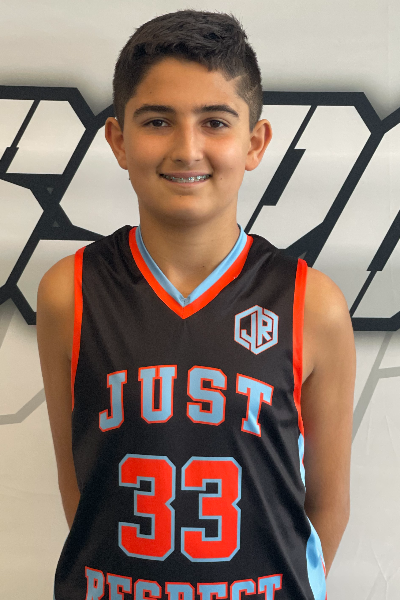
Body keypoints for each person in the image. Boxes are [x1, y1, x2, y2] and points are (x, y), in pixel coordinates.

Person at [36, 9, 356, 600]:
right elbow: (79, 484)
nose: (187, 149)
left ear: (255, 143)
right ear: (119, 140)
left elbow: (327, 506)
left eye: (215, 122)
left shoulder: (312, 303)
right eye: (158, 121)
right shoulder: (69, 291)